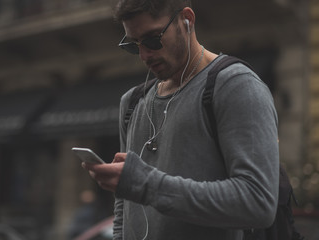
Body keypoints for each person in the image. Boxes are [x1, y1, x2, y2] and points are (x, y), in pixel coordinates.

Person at [82, 0, 280, 239]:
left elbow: (258, 202)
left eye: (153, 39)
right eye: (134, 45)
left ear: (187, 19)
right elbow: (124, 209)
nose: (144, 55)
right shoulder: (132, 103)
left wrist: (146, 183)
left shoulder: (235, 86)